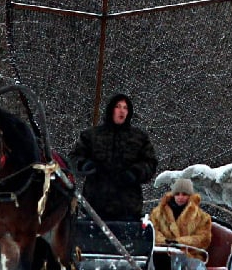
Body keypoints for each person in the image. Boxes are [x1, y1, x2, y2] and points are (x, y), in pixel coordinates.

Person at [69, 92, 157, 221]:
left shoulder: (139, 138)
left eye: (125, 108)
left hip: (128, 206)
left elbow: (151, 163)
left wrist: (135, 173)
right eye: (118, 106)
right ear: (111, 109)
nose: (121, 111)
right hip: (95, 204)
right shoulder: (92, 135)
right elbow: (74, 158)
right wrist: (86, 165)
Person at [148, 177, 212, 259]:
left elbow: (203, 238)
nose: (180, 197)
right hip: (162, 254)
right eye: (177, 194)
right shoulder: (158, 213)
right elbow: (153, 231)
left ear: (190, 196)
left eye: (184, 194)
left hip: (190, 257)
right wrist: (164, 242)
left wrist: (178, 242)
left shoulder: (202, 217)